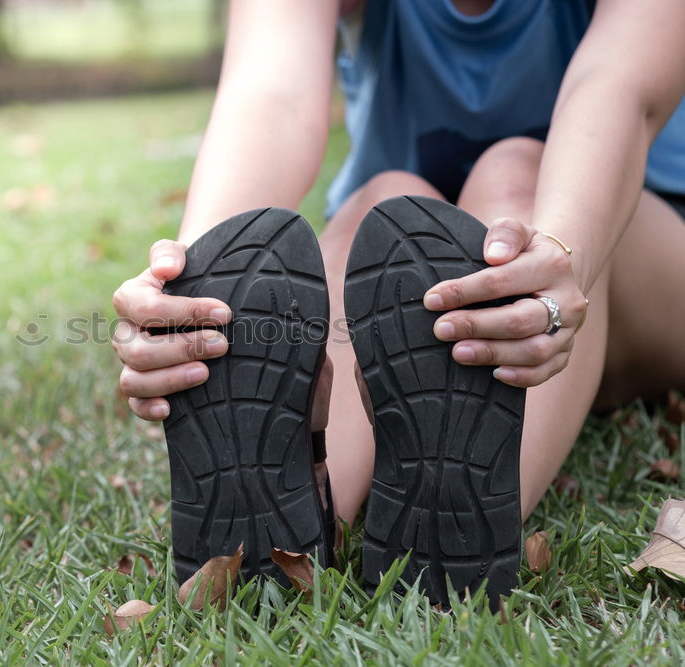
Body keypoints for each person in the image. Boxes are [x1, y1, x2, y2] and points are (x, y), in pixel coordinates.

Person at [111, 0, 685, 602]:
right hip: (402, 268)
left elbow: (618, 90)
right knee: (383, 202)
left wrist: (562, 256)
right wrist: (193, 287)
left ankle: (454, 517)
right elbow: (271, 93)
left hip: (631, 245)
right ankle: (306, 528)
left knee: (515, 184)